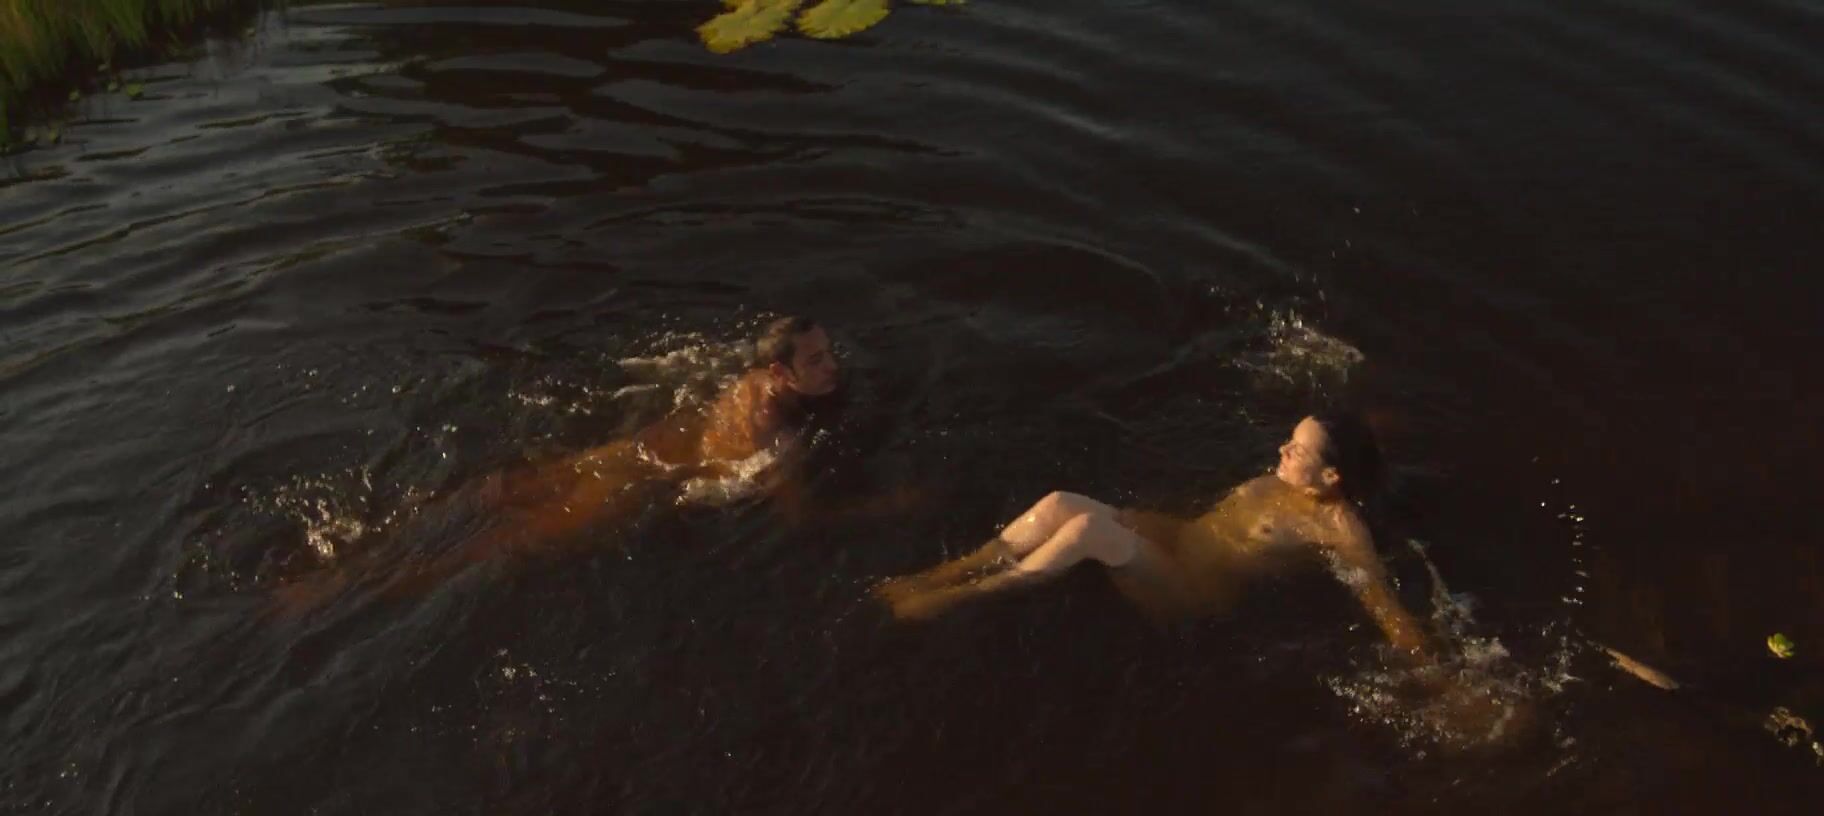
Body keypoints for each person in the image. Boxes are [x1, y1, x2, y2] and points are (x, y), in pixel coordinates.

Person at [275, 316, 840, 610]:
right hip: (630, 480)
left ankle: (348, 558)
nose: (832, 366)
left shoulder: (750, 380)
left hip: (618, 452)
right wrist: (880, 508)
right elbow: (798, 518)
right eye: (817, 360)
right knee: (492, 543)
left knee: (494, 492)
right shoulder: (777, 429)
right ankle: (336, 593)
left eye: (828, 353)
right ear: (780, 373)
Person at [874, 413, 1433, 660]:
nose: (1283, 449)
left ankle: (953, 598)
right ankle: (937, 574)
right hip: (1178, 540)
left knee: (1089, 529)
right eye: (1290, 439)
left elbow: (1383, 605)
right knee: (1061, 501)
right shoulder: (1283, 480)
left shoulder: (1340, 529)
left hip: (1193, 590)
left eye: (1298, 449)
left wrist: (1438, 677)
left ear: (1331, 477)